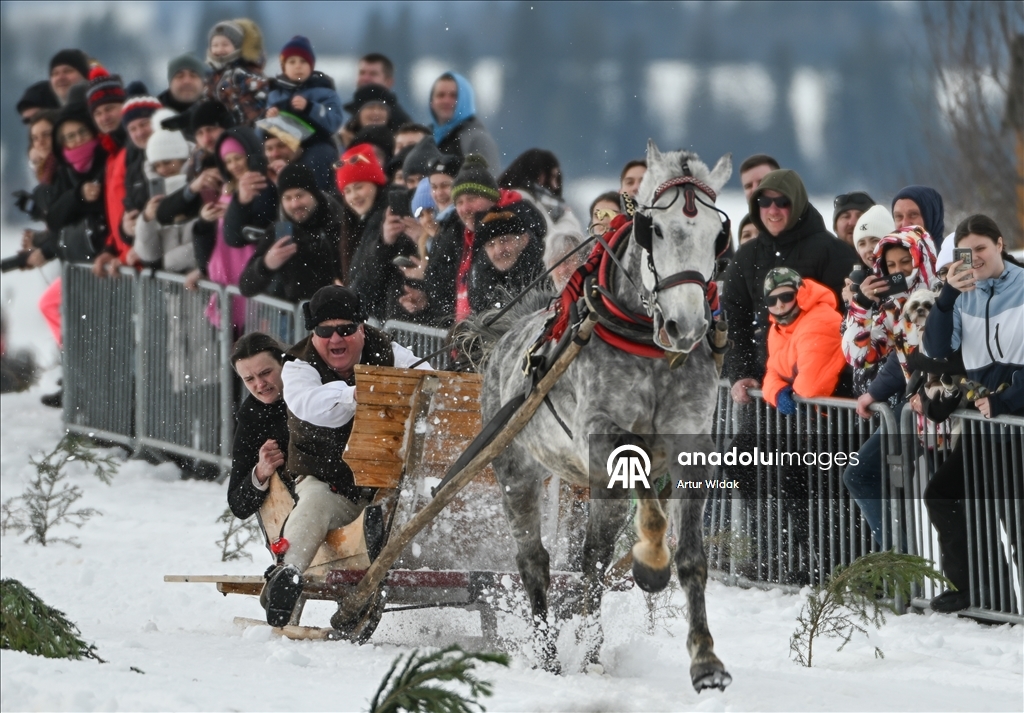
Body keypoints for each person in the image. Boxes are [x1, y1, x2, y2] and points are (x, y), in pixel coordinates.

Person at [263, 285, 430, 626]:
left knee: (418, 501)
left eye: (346, 329)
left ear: (362, 330)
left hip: (386, 482)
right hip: (331, 481)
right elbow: (316, 407)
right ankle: (288, 575)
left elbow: (427, 379)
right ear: (314, 334)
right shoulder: (298, 366)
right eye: (325, 331)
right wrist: (366, 390)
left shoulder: (386, 351)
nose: (335, 338)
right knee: (315, 503)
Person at [922, 214, 1023, 612]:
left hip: (1014, 420)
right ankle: (980, 593)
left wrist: (1006, 400)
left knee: (1015, 517)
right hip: (986, 421)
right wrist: (946, 297)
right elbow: (936, 350)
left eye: (981, 248)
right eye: (967, 252)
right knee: (944, 495)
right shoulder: (962, 294)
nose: (975, 258)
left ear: (1000, 244)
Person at [722, 169, 858, 405]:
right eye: (765, 202)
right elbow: (734, 320)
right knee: (742, 444)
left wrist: (818, 382)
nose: (773, 210)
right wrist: (742, 373)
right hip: (764, 390)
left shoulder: (831, 251)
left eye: (782, 202)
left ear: (796, 204)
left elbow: (846, 320)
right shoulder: (747, 256)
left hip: (826, 398)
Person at [841, 225, 940, 549]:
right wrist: (862, 304)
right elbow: (859, 356)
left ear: (921, 259)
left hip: (950, 412)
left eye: (905, 263)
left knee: (957, 505)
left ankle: (983, 593)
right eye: (891, 266)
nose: (898, 272)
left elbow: (921, 356)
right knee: (859, 474)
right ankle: (900, 567)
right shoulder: (893, 305)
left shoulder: (941, 297)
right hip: (916, 411)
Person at [239, 162, 342, 301]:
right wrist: (265, 264)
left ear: (314, 194)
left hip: (337, 314)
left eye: (300, 195)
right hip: (294, 317)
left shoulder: (338, 220)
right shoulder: (281, 230)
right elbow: (246, 287)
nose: (295, 204)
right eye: (287, 198)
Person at [761, 268, 847, 413]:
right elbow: (772, 370)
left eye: (786, 296)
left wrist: (793, 399)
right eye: (771, 300)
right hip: (813, 416)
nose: (779, 304)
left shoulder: (820, 320)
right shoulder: (776, 329)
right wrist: (778, 392)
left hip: (837, 417)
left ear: (800, 294)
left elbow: (810, 387)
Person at [265, 35, 342, 192]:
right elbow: (263, 130)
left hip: (315, 145)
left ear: (311, 66)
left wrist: (310, 108)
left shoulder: (324, 91)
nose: (298, 66)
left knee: (320, 158)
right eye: (292, 62)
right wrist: (270, 117)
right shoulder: (275, 93)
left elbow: (334, 121)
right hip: (283, 146)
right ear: (283, 67)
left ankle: (318, 197)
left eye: (303, 62)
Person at [227, 332, 290, 521]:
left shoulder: (312, 387)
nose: (260, 384)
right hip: (291, 515)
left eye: (265, 373)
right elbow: (238, 505)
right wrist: (261, 472)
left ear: (283, 364)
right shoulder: (251, 417)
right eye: (249, 379)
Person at [133, 112, 198, 272]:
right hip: (172, 289)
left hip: (200, 282)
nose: (162, 169)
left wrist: (169, 261)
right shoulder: (154, 193)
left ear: (183, 159)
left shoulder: (198, 187)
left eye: (168, 162)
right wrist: (147, 219)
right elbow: (148, 254)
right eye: (157, 165)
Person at [155, 100, 233, 226]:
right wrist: (193, 187)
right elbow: (162, 213)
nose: (206, 139)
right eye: (200, 133)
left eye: (211, 129)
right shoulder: (201, 168)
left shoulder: (248, 155)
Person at [468, 206, 545, 314]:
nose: (499, 250)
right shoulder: (480, 280)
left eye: (504, 240)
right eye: (491, 245)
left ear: (524, 240)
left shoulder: (546, 269)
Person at [498, 149, 582, 239]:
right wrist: (567, 216)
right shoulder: (526, 201)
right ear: (539, 175)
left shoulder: (509, 197)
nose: (555, 185)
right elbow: (552, 239)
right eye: (552, 176)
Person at [334, 143, 388, 281]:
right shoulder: (354, 223)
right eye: (347, 191)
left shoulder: (385, 218)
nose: (354, 196)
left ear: (375, 183)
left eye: (359, 187)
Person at [205, 18, 269, 126]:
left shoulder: (243, 73)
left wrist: (235, 117)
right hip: (218, 132)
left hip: (244, 132)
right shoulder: (213, 76)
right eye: (215, 45)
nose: (219, 49)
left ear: (237, 47)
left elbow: (259, 100)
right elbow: (206, 100)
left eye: (225, 45)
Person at [429, 72, 499, 169]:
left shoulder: (477, 139)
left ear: (466, 100)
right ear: (431, 102)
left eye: (454, 96)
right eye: (441, 95)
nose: (446, 101)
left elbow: (488, 181)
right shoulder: (426, 137)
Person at [354, 53, 413, 126]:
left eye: (373, 74)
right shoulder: (352, 116)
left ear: (389, 82)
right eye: (362, 73)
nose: (365, 78)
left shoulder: (399, 122)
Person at [891, 185, 945, 250]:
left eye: (913, 214)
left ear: (931, 217)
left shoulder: (950, 257)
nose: (905, 224)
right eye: (899, 216)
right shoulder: (888, 257)